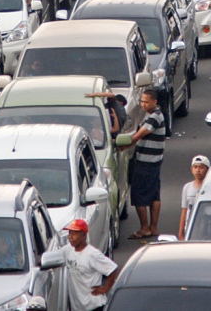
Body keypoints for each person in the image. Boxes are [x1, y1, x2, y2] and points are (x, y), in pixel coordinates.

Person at [125, 88, 165, 238]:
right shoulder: (152, 114)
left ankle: (144, 228)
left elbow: (140, 134)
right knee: (154, 194)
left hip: (146, 161)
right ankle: (153, 227)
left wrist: (126, 144)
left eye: (146, 102)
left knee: (138, 194)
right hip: (154, 161)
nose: (143, 104)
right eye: (141, 101)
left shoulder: (154, 117)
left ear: (154, 102)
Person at [60, 219, 119, 311]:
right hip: (77, 307)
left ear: (83, 235)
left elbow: (112, 269)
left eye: (74, 234)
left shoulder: (92, 254)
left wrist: (105, 289)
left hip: (94, 306)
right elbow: (52, 256)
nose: (70, 237)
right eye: (69, 233)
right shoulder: (67, 250)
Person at [178, 155, 210, 239]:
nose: (198, 170)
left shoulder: (210, 187)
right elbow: (184, 210)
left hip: (207, 228)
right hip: (191, 227)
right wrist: (181, 234)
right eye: (195, 167)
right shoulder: (187, 187)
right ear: (191, 169)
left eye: (201, 167)